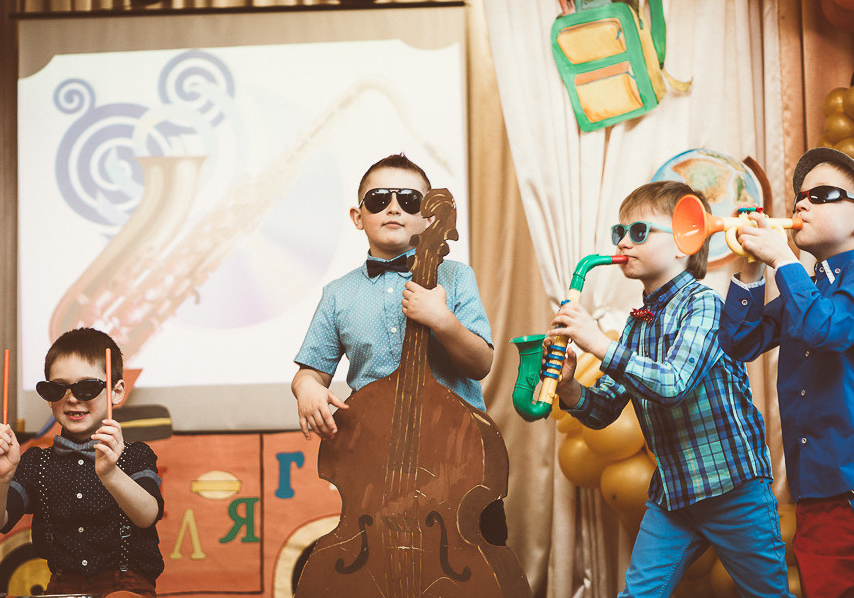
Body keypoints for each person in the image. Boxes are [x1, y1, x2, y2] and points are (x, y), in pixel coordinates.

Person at [546, 180, 792, 597]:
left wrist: (598, 343)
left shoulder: (704, 304)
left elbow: (674, 384)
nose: (623, 241)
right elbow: (604, 409)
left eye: (639, 232)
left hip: (732, 488)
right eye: (617, 232)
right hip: (673, 494)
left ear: (686, 241)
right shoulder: (637, 321)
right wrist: (569, 388)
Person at [291, 153, 505, 542]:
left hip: (458, 459)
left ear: (427, 218)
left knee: (473, 561)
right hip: (376, 463)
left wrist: (443, 320)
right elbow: (312, 370)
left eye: (409, 200)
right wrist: (306, 388)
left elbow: (480, 364)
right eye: (378, 200)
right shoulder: (338, 294)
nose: (393, 208)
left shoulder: (455, 277)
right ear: (358, 217)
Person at [719, 147, 854, 598]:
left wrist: (783, 261)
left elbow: (827, 329)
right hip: (814, 486)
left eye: (823, 194)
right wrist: (752, 266)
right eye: (799, 196)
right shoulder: (808, 287)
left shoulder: (813, 285)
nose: (801, 204)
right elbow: (740, 342)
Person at [0, 327, 164, 598]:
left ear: (116, 392)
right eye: (58, 388)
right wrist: (1, 478)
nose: (72, 398)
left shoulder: (136, 455)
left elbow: (147, 516)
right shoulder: (36, 463)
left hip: (126, 588)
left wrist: (111, 473)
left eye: (87, 387)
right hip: (61, 589)